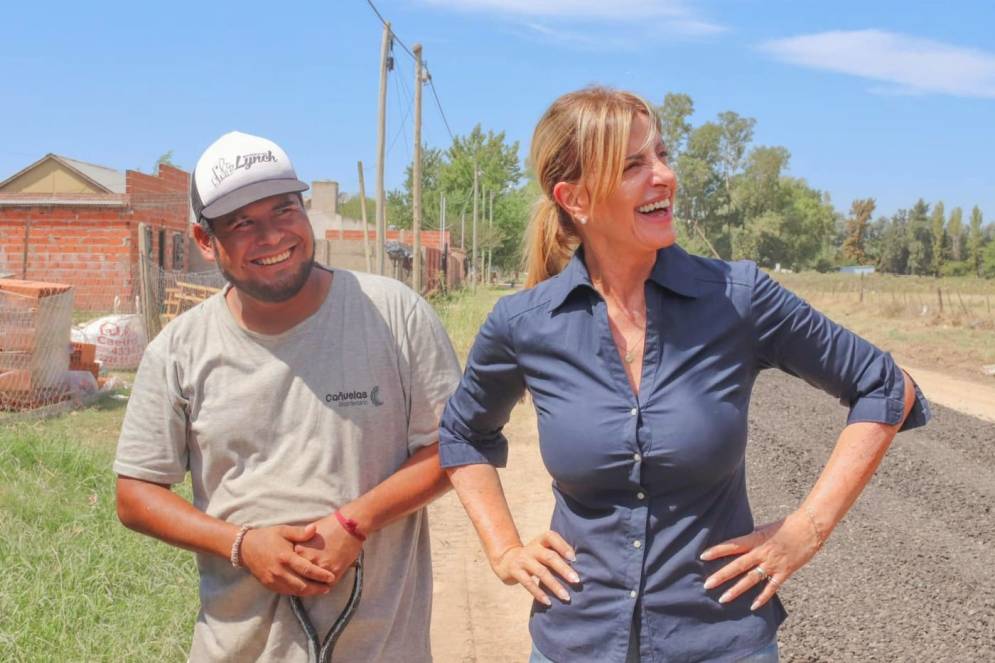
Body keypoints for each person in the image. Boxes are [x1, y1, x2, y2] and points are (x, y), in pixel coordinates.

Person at [439, 87, 930, 663]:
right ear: (573, 197)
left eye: (662, 156)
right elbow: (462, 434)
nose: (664, 177)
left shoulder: (738, 298)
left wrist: (805, 531)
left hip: (720, 641)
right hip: (576, 641)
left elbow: (885, 386)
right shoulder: (524, 324)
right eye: (632, 166)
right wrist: (504, 550)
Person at [114, 131, 461, 661]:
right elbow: (135, 495)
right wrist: (241, 544)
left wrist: (354, 523)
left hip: (383, 645)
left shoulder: (394, 314)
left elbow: (453, 450)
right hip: (239, 645)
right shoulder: (178, 351)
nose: (273, 236)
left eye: (284, 210)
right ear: (205, 241)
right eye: (242, 223)